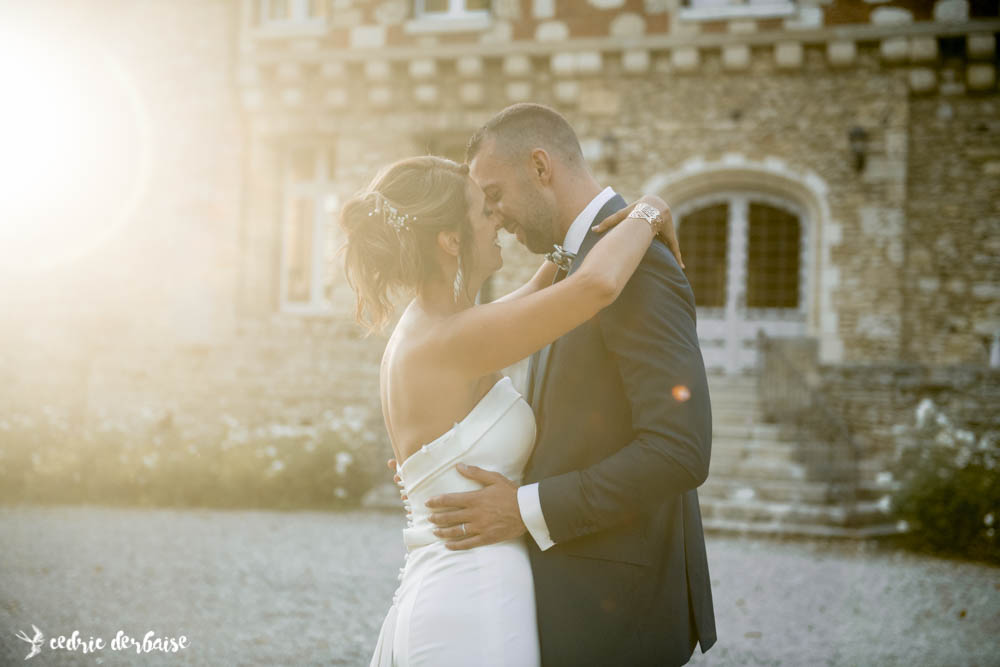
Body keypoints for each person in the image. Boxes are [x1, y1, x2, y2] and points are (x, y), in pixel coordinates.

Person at [339, 153, 676, 667]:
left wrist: (571, 235)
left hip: (459, 581)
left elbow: (534, 296)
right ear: (450, 241)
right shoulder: (453, 338)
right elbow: (595, 288)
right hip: (469, 598)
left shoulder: (433, 323)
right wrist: (649, 211)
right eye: (482, 211)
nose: (495, 219)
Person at [422, 103, 717, 666]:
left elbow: (680, 450)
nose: (494, 216)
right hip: (577, 597)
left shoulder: (637, 266)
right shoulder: (578, 263)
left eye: (494, 194)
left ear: (540, 167)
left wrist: (526, 510)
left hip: (617, 610)